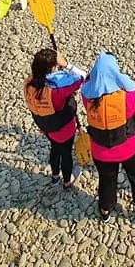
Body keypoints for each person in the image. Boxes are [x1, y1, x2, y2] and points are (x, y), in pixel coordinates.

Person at [82, 53, 135, 224]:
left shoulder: (87, 95)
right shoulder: (128, 95)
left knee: (106, 180)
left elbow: (87, 80)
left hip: (101, 150)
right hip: (130, 149)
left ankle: (105, 210)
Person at [24, 48, 87, 188]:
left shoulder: (29, 83)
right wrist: (66, 64)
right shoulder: (57, 89)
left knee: (55, 149)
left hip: (46, 127)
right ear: (53, 68)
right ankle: (67, 181)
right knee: (66, 154)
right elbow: (83, 76)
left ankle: (55, 176)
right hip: (63, 130)